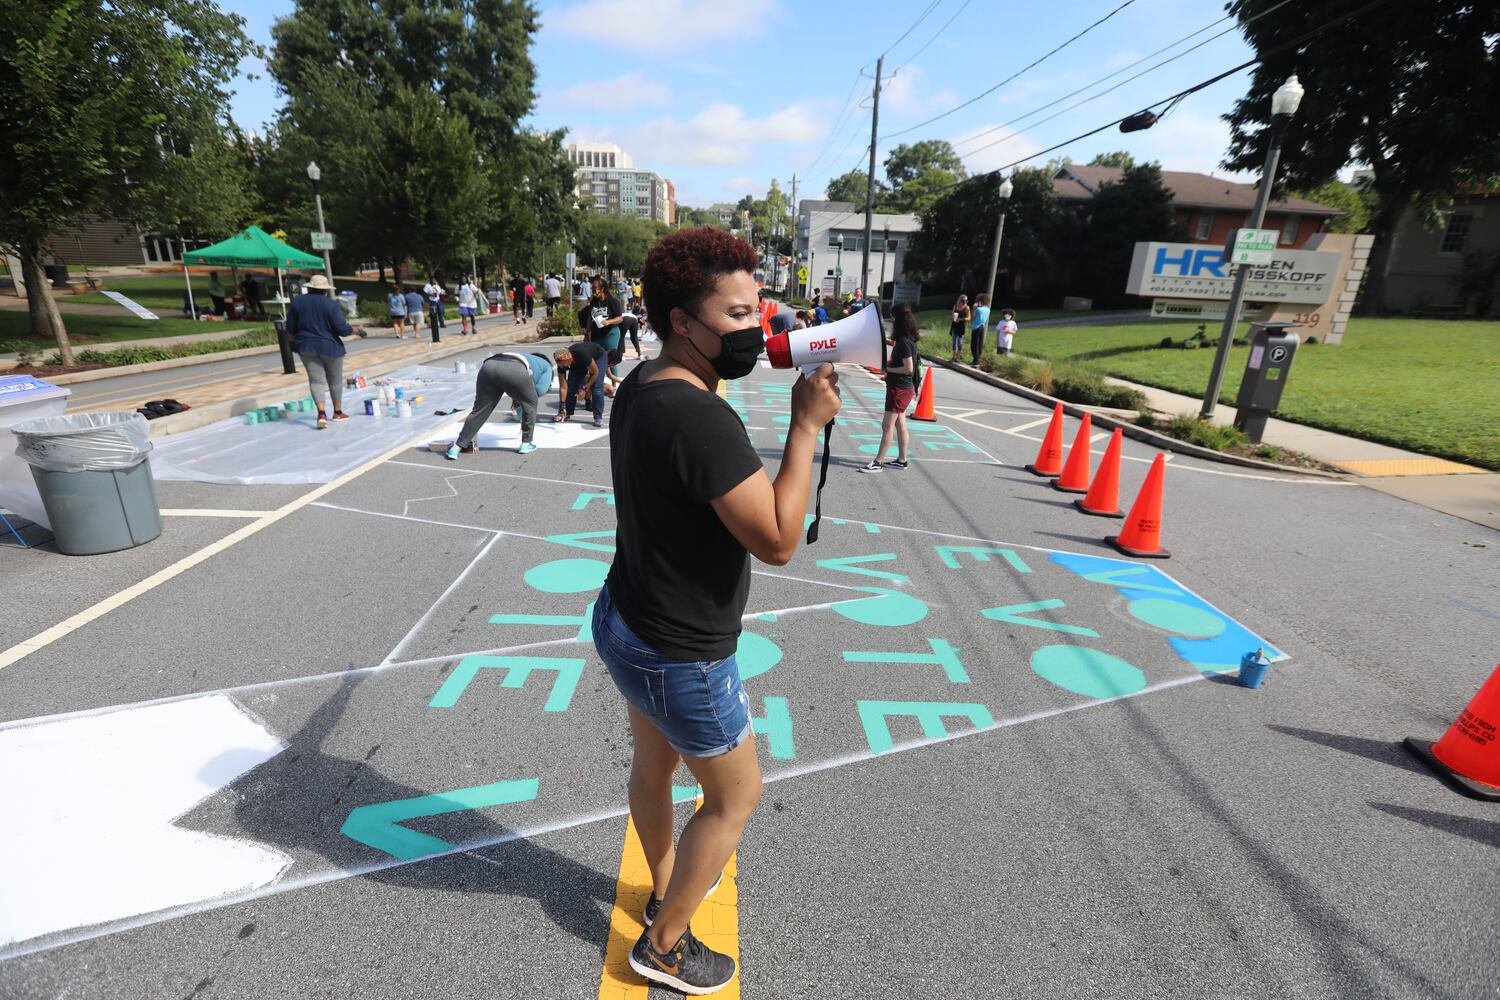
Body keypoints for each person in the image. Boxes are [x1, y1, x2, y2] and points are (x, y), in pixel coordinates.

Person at [594, 227, 840, 994]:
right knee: (736, 795)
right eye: (735, 315)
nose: (756, 326)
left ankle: (667, 888)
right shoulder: (702, 419)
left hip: (627, 619)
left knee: (654, 764)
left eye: (757, 308)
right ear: (679, 320)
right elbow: (776, 540)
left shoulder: (644, 383)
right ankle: (663, 946)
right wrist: (804, 428)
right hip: (680, 648)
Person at [445, 351, 554, 459]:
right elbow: (539, 391)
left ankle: (456, 448)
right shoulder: (547, 366)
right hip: (514, 369)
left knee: (480, 410)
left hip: (488, 366)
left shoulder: (528, 358)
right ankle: (526, 443)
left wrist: (517, 397)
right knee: (531, 403)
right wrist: (520, 402)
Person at [287, 274, 360, 430]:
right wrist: (355, 330)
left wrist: (293, 345)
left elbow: (290, 329)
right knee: (335, 380)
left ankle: (321, 414)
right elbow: (341, 329)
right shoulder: (331, 304)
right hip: (331, 347)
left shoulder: (297, 303)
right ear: (325, 290)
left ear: (310, 287)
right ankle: (338, 412)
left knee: (316, 381)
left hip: (306, 347)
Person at [860, 303, 921, 472]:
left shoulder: (903, 342)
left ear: (898, 320)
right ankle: (902, 460)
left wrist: (887, 369)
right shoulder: (908, 339)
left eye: (893, 317)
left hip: (899, 389)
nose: (891, 320)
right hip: (904, 388)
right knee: (900, 425)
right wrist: (887, 366)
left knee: (887, 426)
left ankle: (878, 462)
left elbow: (908, 368)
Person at [580, 276, 625, 386]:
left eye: (595, 288)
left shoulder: (612, 301)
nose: (593, 290)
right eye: (592, 288)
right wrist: (587, 333)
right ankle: (595, 385)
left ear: (602, 289)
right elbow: (590, 319)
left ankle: (614, 386)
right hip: (596, 335)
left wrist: (608, 322)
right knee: (596, 361)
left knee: (610, 360)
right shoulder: (593, 303)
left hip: (611, 334)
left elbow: (620, 318)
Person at [552, 340, 609, 427]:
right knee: (571, 386)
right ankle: (566, 413)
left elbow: (595, 373)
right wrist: (561, 408)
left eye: (563, 364)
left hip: (598, 357)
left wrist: (584, 388)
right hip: (578, 362)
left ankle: (598, 417)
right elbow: (563, 387)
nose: (563, 367)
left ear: (569, 358)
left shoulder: (582, 354)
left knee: (596, 387)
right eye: (559, 364)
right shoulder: (561, 364)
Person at [969, 292, 991, 366]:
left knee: (974, 344)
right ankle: (979, 359)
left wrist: (973, 309)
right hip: (982, 326)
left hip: (976, 327)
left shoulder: (978, 309)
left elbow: (972, 317)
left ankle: (976, 360)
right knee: (980, 343)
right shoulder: (988, 309)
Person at [948, 294, 970, 361]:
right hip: (954, 325)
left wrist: (961, 319)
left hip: (961, 326)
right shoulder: (955, 306)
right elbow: (952, 315)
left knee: (959, 342)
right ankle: (954, 356)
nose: (964, 302)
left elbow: (969, 318)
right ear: (959, 300)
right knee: (954, 341)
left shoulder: (966, 308)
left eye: (966, 301)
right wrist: (953, 318)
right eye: (963, 300)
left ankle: (958, 357)